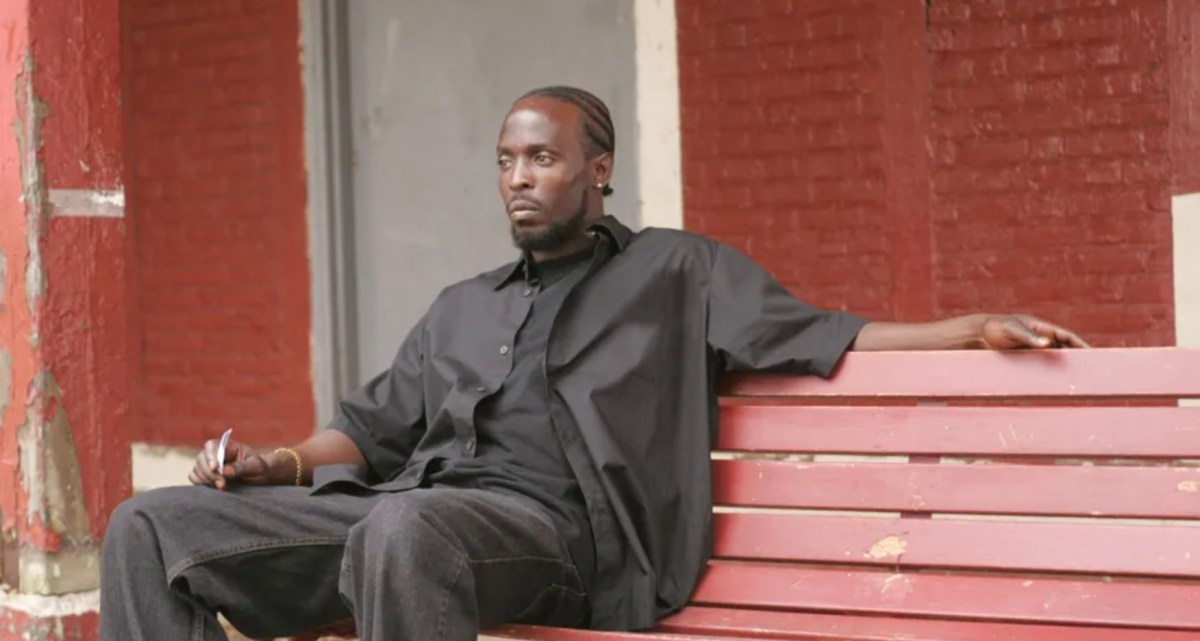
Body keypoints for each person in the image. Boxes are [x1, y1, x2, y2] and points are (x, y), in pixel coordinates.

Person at [99, 85, 1088, 641]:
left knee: (405, 526)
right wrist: (276, 461)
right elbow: (370, 428)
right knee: (150, 524)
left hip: (557, 540)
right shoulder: (467, 303)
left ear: (599, 169)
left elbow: (820, 332)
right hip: (405, 524)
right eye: (505, 160)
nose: (518, 179)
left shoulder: (674, 270)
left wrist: (965, 329)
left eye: (542, 158)